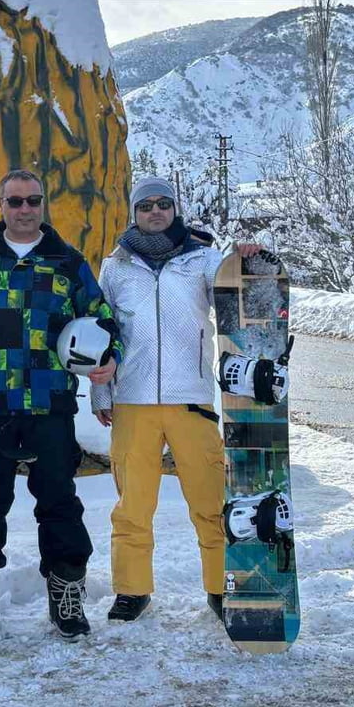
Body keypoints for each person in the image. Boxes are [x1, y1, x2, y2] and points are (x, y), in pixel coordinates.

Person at [0, 169, 120, 640]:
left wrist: (108, 357)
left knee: (59, 503)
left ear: (43, 204)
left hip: (50, 403)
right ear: (0, 205)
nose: (24, 210)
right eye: (14, 201)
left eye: (33, 200)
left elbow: (100, 318)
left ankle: (67, 592)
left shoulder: (66, 262)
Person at [92, 175, 258, 623]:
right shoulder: (115, 266)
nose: (156, 212)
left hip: (192, 400)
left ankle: (220, 587)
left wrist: (243, 263)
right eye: (146, 206)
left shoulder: (202, 259)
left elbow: (234, 297)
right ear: (135, 212)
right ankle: (132, 590)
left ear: (175, 209)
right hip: (132, 400)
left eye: (164, 204)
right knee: (132, 507)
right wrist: (100, 390)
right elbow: (102, 333)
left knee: (209, 502)